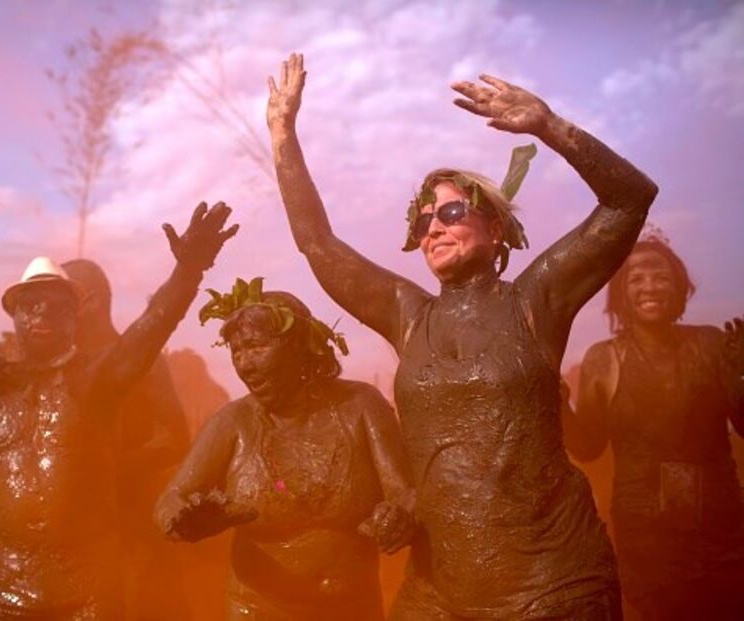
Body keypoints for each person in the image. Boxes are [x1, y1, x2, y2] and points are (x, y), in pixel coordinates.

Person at [266, 53, 658, 618]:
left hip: (552, 583)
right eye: (423, 221)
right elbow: (316, 242)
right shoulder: (407, 315)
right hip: (440, 588)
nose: (434, 228)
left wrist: (550, 127)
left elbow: (628, 199)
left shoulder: (535, 300)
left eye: (450, 213)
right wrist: (283, 134)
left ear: (495, 228)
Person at [0, 156, 237, 618]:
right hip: (3, 584)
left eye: (56, 305)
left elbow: (152, 326)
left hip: (87, 583)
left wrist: (188, 272)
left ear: (77, 315)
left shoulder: (97, 381)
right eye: (31, 304)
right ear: (14, 313)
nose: (42, 314)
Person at [155, 278, 415, 621]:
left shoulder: (360, 406)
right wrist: (184, 521)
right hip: (257, 610)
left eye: (255, 346)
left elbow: (405, 493)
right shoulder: (231, 423)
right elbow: (170, 500)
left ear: (298, 344)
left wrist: (398, 519)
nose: (244, 364)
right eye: (236, 351)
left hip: (351, 609)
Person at [567, 232, 744, 619]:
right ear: (620, 294)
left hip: (723, 528)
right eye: (636, 279)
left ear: (680, 287)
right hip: (647, 542)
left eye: (661, 277)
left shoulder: (711, 343)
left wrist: (742, 377)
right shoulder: (603, 359)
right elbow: (588, 448)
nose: (650, 286)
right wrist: (559, 405)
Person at [62, 258, 192, 620]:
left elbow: (175, 438)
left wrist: (109, 468)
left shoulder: (141, 360)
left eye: (64, 298)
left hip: (133, 528)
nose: (54, 311)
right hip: (76, 533)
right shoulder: (62, 366)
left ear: (91, 302)